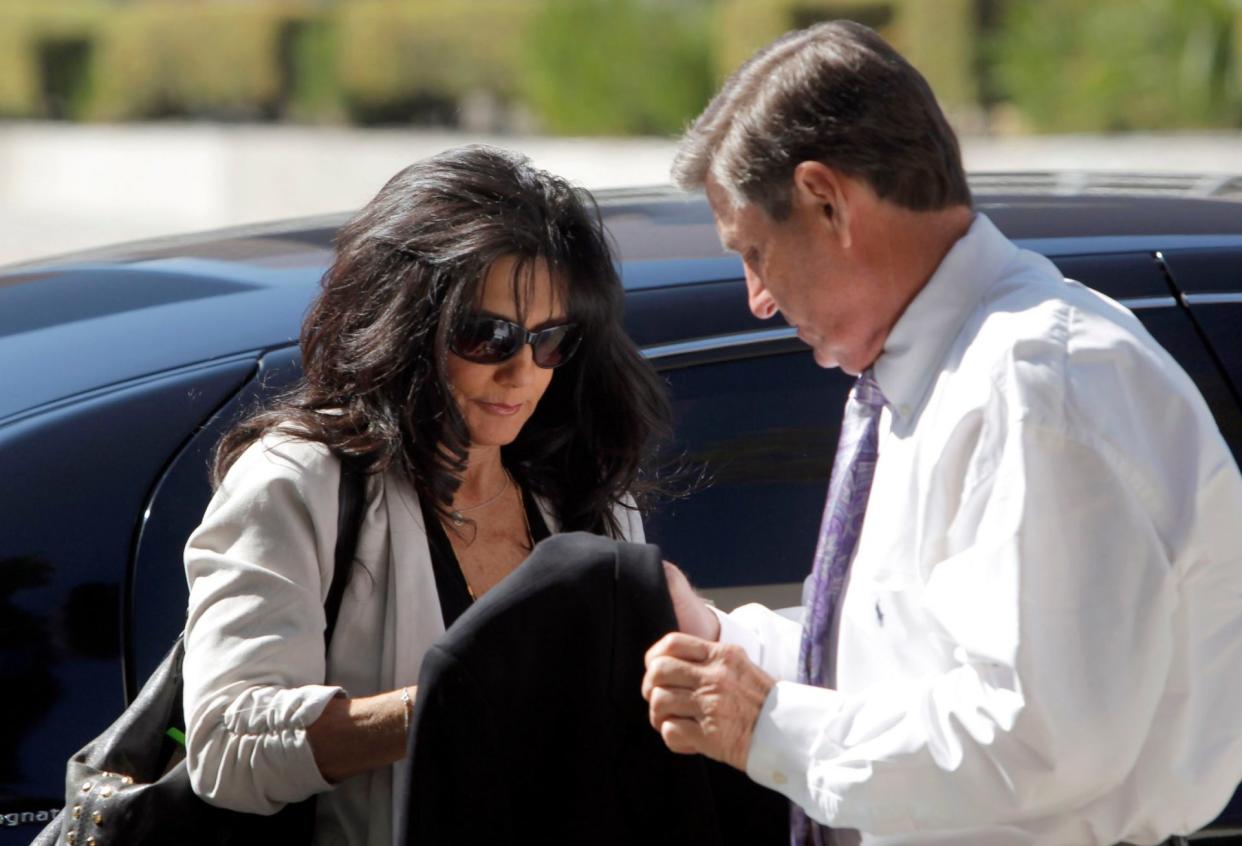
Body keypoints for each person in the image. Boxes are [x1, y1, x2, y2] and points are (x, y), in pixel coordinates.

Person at [641, 20, 1242, 846]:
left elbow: (1037, 740)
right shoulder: (938, 374)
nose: (758, 298)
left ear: (827, 202)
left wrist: (765, 726)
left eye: (756, 252)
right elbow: (900, 671)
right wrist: (723, 645)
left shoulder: (1037, 383)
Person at [181, 145, 670, 846]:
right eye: (487, 335)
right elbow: (227, 745)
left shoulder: (587, 490)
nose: (521, 372)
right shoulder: (299, 482)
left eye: (550, 340)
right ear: (404, 322)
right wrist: (450, 705)